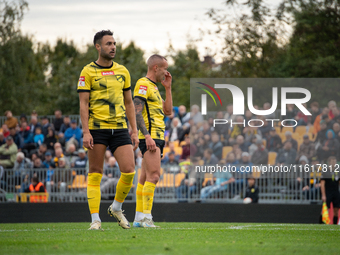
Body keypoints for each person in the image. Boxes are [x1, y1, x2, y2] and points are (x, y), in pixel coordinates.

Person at [78, 30, 139, 230]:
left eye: (114, 43)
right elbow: (83, 104)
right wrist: (86, 132)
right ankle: (95, 220)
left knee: (129, 171)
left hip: (120, 129)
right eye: (108, 44)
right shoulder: (87, 71)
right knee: (95, 173)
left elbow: (129, 103)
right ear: (98, 47)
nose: (113, 47)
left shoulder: (123, 71)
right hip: (97, 129)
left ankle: (116, 207)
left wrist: (134, 130)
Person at [132, 54, 172, 228]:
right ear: (156, 68)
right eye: (164, 68)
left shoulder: (154, 88)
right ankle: (147, 218)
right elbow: (136, 112)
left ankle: (138, 219)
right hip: (151, 136)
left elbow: (168, 111)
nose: (166, 72)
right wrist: (147, 136)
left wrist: (168, 89)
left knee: (144, 178)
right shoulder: (142, 84)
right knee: (154, 176)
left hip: (157, 135)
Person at [320, 156, 340, 224]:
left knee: (336, 209)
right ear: (329, 163)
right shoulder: (325, 171)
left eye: (335, 161)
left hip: (336, 192)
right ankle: (321, 225)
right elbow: (322, 184)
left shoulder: (338, 171)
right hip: (328, 192)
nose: (334, 163)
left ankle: (335, 225)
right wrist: (323, 195)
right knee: (325, 209)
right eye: (332, 161)